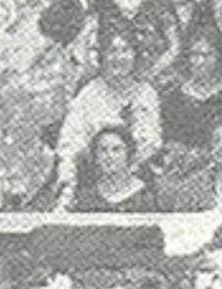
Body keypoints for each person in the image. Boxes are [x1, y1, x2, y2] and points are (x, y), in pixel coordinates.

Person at [55, 24, 163, 200]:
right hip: (93, 182)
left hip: (137, 184)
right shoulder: (89, 94)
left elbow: (151, 142)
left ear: (134, 55)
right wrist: (68, 176)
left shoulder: (146, 94)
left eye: (125, 51)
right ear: (103, 56)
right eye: (112, 51)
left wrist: (126, 172)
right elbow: (69, 141)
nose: (118, 57)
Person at [159, 28, 222, 150]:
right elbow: (169, 140)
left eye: (207, 55)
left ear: (218, 57)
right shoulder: (173, 98)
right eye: (195, 54)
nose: (200, 61)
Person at [71, 125, 157, 213]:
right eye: (103, 150)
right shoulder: (87, 197)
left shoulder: (145, 196)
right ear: (96, 156)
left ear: (129, 153)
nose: (109, 156)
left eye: (116, 150)